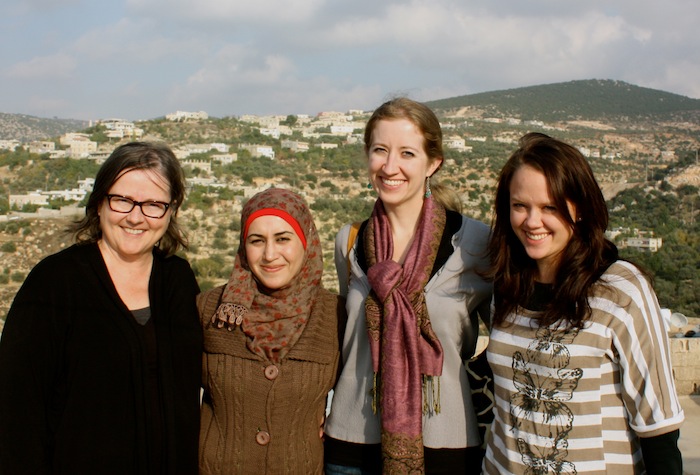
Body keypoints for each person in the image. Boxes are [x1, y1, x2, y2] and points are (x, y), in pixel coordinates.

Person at [483, 132, 684, 474]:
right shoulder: (507, 285)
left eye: (550, 207)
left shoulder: (620, 290)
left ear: (580, 209)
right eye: (520, 206)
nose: (532, 222)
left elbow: (658, 426)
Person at [0, 141, 202, 474]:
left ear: (170, 210)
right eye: (122, 200)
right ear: (99, 203)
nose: (136, 217)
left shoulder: (178, 279)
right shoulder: (54, 283)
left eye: (153, 204)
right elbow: (16, 410)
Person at [324, 97, 492, 474]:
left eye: (407, 154)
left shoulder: (474, 244)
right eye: (380, 150)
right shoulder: (349, 241)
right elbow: (344, 343)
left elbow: (514, 337)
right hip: (350, 449)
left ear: (433, 163)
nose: (390, 166)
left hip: (447, 447)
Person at [198, 187, 345, 474]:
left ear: (307, 242)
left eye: (282, 239)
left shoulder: (335, 315)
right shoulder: (209, 309)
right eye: (256, 240)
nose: (269, 254)